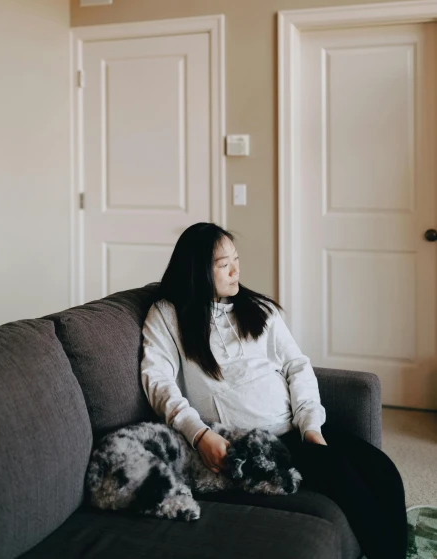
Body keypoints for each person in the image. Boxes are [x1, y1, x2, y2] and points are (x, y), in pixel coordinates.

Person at [141, 222, 408, 559]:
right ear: (197, 270)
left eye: (236, 259)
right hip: (248, 448)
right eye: (224, 265)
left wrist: (311, 427)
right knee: (347, 483)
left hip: (294, 432)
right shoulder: (167, 315)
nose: (236, 270)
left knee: (383, 471)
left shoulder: (258, 309)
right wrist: (199, 434)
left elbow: (297, 366)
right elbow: (157, 381)